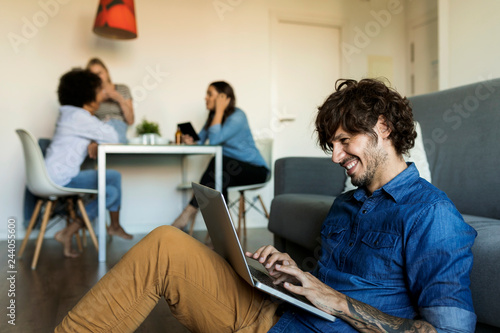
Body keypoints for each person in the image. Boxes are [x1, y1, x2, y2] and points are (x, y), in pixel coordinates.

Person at [54, 78, 476, 332]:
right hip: (270, 314)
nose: (334, 156)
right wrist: (292, 272)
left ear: (382, 128)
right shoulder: (346, 205)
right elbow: (323, 277)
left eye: (345, 141)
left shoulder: (431, 214)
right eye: (331, 145)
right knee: (166, 242)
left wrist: (335, 300)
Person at [45, 68, 133, 258]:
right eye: (99, 91)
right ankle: (114, 226)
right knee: (115, 177)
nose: (102, 96)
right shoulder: (79, 117)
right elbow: (114, 137)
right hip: (61, 178)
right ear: (87, 94)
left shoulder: (70, 114)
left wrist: (94, 139)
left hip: (53, 175)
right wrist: (99, 134)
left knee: (111, 192)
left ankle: (69, 231)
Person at [171, 81, 269, 230]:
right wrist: (191, 141)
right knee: (219, 176)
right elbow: (202, 141)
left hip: (256, 170)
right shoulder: (213, 118)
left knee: (219, 164)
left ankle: (188, 213)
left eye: (210, 94)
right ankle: (221, 235)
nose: (205, 98)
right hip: (229, 169)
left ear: (223, 97)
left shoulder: (238, 116)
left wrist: (219, 111)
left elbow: (215, 140)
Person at [86, 58, 134, 144]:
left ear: (106, 72)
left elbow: (130, 121)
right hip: (99, 128)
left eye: (100, 73)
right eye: (93, 75)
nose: (97, 77)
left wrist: (120, 99)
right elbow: (85, 118)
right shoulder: (91, 95)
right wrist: (99, 99)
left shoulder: (122, 89)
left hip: (118, 127)